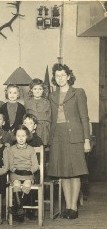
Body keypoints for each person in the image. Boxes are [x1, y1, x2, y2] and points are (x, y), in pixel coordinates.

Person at [48, 63, 91, 220]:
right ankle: (67, 206)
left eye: (62, 75)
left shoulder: (78, 92)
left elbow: (84, 117)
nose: (60, 78)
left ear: (68, 76)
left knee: (75, 172)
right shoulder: (52, 95)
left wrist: (86, 139)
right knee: (63, 173)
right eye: (57, 76)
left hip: (75, 136)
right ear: (55, 78)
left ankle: (74, 207)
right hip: (57, 136)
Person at [8, 125, 39, 222]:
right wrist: (15, 170)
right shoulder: (12, 149)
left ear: (27, 137)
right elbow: (10, 164)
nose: (21, 138)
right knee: (16, 183)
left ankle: (17, 207)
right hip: (16, 173)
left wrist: (30, 171)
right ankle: (20, 208)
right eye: (18, 136)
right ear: (15, 137)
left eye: (23, 136)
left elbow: (35, 166)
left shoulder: (31, 149)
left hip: (27, 174)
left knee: (27, 183)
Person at [25, 78, 51, 146]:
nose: (37, 91)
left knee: (42, 147)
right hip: (30, 128)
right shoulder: (27, 102)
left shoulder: (47, 102)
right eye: (35, 89)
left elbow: (49, 116)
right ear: (31, 90)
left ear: (43, 90)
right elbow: (25, 116)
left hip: (43, 129)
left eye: (40, 89)